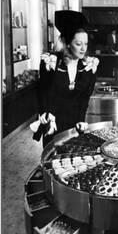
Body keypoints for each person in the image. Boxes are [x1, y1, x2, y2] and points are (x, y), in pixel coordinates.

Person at [32, 10, 99, 144]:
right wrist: (44, 114)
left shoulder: (88, 66)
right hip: (54, 123)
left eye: (85, 44)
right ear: (68, 43)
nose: (83, 49)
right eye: (78, 44)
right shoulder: (50, 62)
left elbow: (84, 98)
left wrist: (81, 120)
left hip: (75, 125)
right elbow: (42, 92)